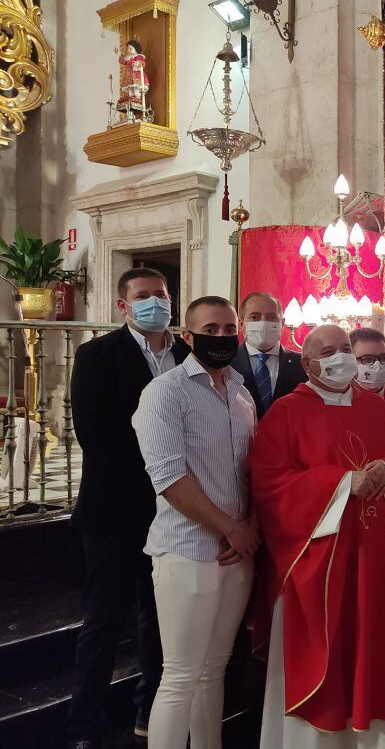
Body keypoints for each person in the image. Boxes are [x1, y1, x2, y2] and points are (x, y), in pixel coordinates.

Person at [249, 324, 385, 749]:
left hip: (376, 560)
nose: (341, 358)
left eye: (346, 349)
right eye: (329, 351)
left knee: (371, 656)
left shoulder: (379, 410)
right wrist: (343, 484)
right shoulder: (285, 413)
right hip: (317, 565)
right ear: (307, 363)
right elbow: (271, 485)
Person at [67, 267, 189, 748]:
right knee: (103, 621)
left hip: (174, 513)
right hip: (115, 513)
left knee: (159, 622)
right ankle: (83, 725)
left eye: (160, 295)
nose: (155, 304)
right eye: (143, 297)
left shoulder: (186, 355)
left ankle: (149, 712)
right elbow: (95, 436)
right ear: (124, 306)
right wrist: (163, 476)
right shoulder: (97, 355)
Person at [132, 296, 258, 749]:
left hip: (236, 548)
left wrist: (248, 526)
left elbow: (252, 470)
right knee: (181, 674)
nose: (221, 338)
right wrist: (229, 526)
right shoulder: (164, 392)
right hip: (186, 548)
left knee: (214, 669)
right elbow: (169, 477)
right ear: (188, 337)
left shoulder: (242, 393)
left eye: (229, 329)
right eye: (211, 329)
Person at [231, 291, 305, 419]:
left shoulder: (302, 364)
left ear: (282, 323)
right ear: (242, 324)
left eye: (271, 317)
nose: (264, 323)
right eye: (255, 317)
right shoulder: (227, 363)